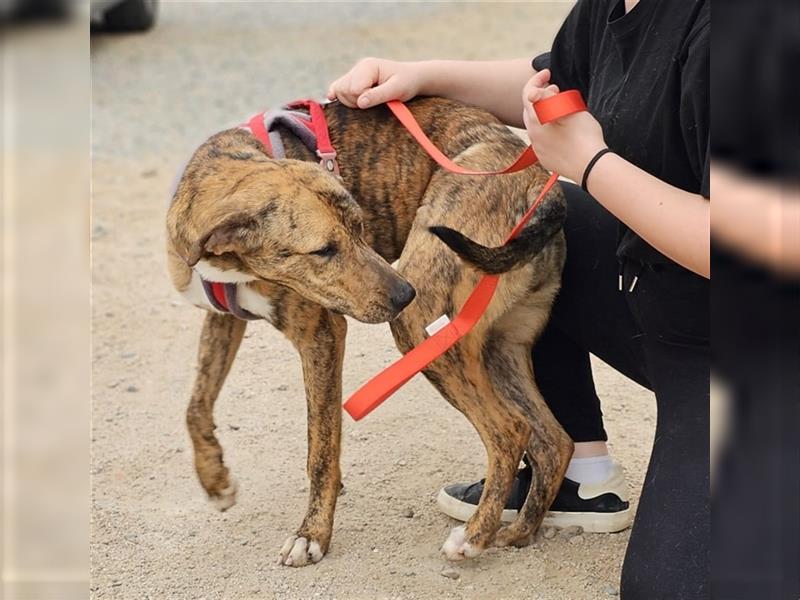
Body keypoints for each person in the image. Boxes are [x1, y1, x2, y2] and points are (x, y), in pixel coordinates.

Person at [328, 0, 709, 597]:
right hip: (673, 307)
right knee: (518, 212)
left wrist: (590, 161)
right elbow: (551, 81)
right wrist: (421, 74)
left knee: (676, 584)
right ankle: (572, 473)